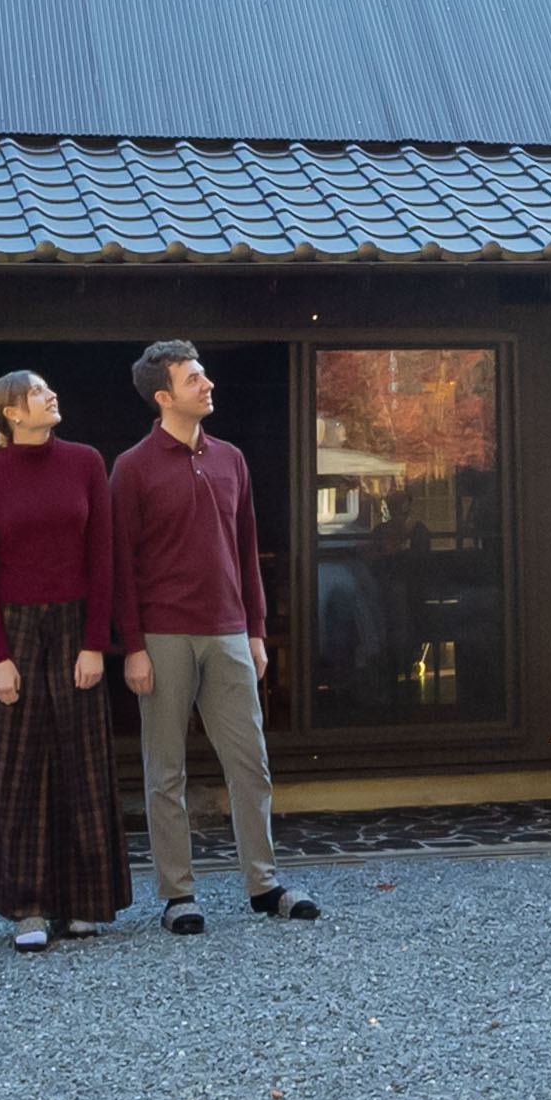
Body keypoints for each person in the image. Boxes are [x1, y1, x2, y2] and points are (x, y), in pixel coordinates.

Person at [107, 337, 322, 933]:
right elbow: (120, 564)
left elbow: (245, 549)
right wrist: (135, 647)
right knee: (165, 770)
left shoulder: (232, 460)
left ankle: (265, 882)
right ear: (163, 396)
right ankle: (179, 895)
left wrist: (255, 630)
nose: (208, 385)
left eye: (204, 376)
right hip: (163, 634)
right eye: (194, 379)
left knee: (250, 762)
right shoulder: (132, 468)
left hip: (230, 632)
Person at [0, 371, 124, 949]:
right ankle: (28, 907)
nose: (51, 396)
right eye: (38, 393)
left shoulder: (87, 461)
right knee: (15, 772)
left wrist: (95, 642)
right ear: (11, 414)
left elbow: (103, 557)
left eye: (48, 390)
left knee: (81, 767)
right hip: (11, 629)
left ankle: (84, 903)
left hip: (74, 626)